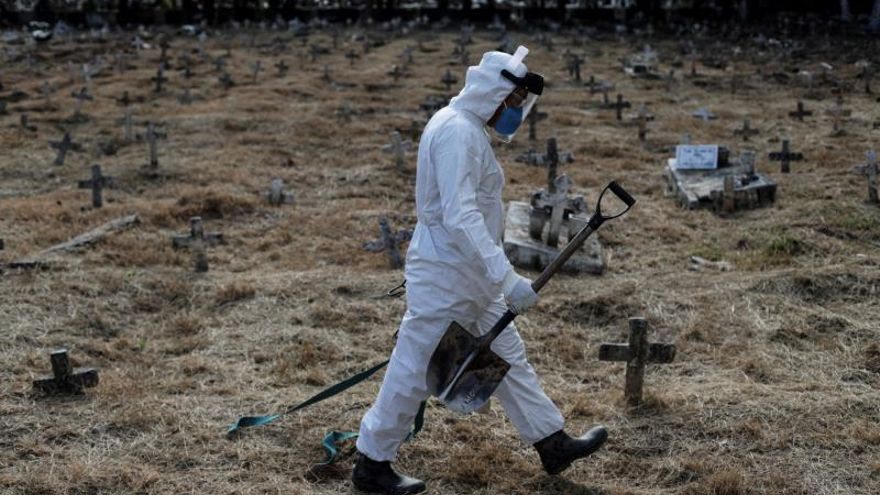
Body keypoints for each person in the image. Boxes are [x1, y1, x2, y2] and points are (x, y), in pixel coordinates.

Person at [352, 47, 607, 495]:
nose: (514, 114)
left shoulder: (467, 128)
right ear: (494, 93)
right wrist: (508, 277)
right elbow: (460, 215)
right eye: (512, 103)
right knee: (413, 369)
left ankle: (551, 441)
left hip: (472, 276)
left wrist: (495, 278)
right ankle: (372, 464)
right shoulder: (456, 133)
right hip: (447, 274)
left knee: (508, 355)